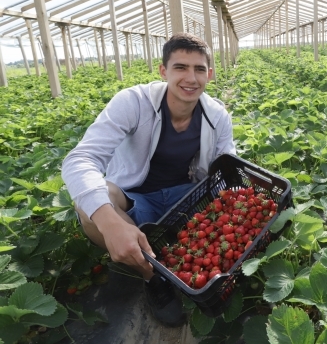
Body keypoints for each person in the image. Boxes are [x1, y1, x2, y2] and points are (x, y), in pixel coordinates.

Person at [61, 33, 235, 327]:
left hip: (186, 198)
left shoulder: (216, 115)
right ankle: (153, 277)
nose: (191, 78)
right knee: (91, 206)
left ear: (210, 74)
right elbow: (80, 160)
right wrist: (110, 222)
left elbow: (226, 167)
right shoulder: (134, 103)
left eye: (199, 69)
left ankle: (190, 260)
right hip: (135, 201)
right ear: (163, 71)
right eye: (180, 67)